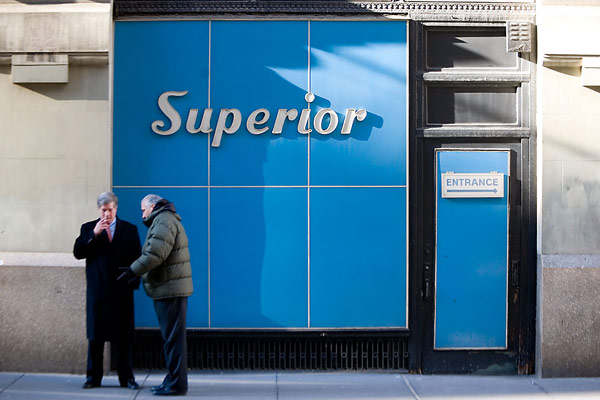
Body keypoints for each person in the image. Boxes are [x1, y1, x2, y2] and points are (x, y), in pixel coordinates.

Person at [118, 194, 193, 396]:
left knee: (173, 340)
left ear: (152, 206)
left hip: (170, 290)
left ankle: (176, 384)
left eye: (143, 209)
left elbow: (154, 254)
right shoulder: (165, 219)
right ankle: (172, 379)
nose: (142, 214)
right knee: (171, 339)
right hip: (170, 289)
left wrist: (132, 271)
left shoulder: (164, 221)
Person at [73, 192, 141, 390]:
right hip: (99, 291)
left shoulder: (129, 229)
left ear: (116, 209)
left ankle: (126, 378)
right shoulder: (88, 228)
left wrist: (133, 283)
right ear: (98, 209)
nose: (107, 214)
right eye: (104, 210)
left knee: (124, 338)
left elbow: (137, 260)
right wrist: (93, 234)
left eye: (110, 210)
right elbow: (78, 252)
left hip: (122, 292)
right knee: (96, 337)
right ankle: (93, 378)